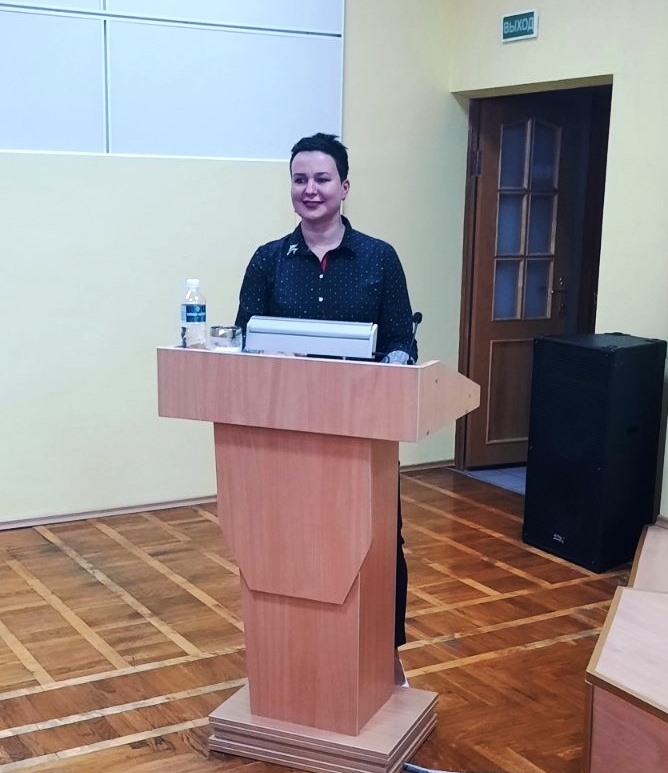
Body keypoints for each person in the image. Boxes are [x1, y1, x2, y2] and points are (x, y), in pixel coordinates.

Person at [234, 132, 417, 685]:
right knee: (287, 544)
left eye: (321, 179)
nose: (309, 190)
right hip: (284, 435)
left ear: (344, 186)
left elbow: (402, 342)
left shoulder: (379, 259)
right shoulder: (267, 260)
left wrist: (394, 366)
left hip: (361, 435)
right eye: (299, 179)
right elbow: (243, 340)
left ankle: (385, 655)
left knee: (378, 545)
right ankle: (295, 663)